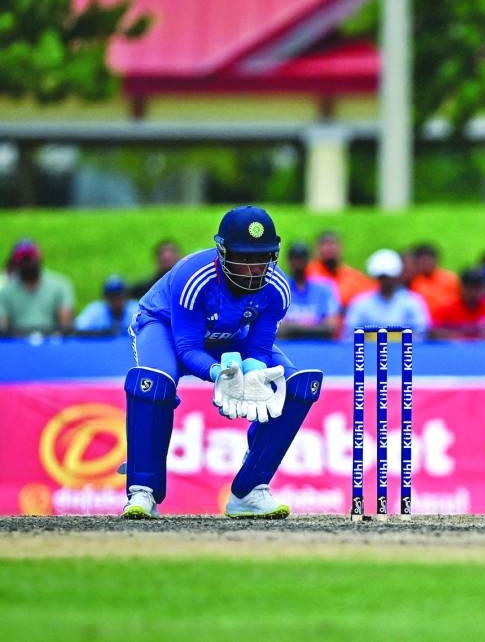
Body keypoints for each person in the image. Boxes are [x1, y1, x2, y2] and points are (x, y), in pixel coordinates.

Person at [121, 205, 324, 520]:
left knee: (298, 385)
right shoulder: (194, 277)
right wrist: (219, 373)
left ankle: (250, 490)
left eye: (264, 258)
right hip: (164, 327)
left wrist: (254, 370)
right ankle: (142, 492)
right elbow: (187, 347)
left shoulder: (277, 288)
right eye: (245, 258)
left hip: (229, 334)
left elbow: (259, 345)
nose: (256, 269)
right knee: (153, 383)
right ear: (223, 252)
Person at [343, 249, 431, 337]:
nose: (386, 281)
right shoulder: (361, 303)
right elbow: (350, 334)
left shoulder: (412, 301)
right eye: (383, 277)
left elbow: (421, 333)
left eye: (389, 277)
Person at [0, 239, 75, 336]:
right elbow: (2, 327)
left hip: (51, 341)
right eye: (24, 259)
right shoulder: (6, 291)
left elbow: (65, 325)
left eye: (30, 258)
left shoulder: (60, 285)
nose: (28, 263)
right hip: (17, 343)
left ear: (39, 257)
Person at [278, 241, 341, 339]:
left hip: (320, 348)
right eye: (295, 258)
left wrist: (292, 328)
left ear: (308, 260)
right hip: (287, 348)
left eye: (302, 258)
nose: (298, 262)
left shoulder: (324, 289)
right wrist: (314, 325)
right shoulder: (279, 288)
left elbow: (331, 328)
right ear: (288, 261)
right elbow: (277, 329)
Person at [429, 267, 485, 340]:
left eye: (477, 287)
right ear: (461, 288)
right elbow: (434, 331)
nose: (473, 292)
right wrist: (458, 337)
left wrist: (483, 338)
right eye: (469, 287)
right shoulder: (447, 308)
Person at [304, 230, 376, 310]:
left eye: (332, 244)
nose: (329, 248)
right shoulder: (307, 272)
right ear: (316, 250)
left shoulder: (355, 278)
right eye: (324, 244)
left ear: (341, 248)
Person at [409, 242, 461, 322]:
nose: (427, 264)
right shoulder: (412, 280)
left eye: (429, 260)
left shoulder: (450, 278)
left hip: (447, 323)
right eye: (423, 261)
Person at [74, 275, 140, 336]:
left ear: (127, 296)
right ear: (105, 298)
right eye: (112, 296)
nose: (116, 300)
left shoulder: (136, 309)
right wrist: (102, 333)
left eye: (120, 296)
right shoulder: (95, 310)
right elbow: (76, 330)